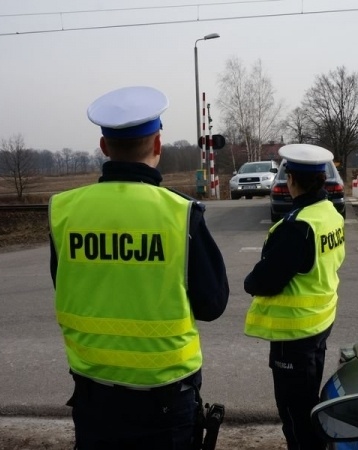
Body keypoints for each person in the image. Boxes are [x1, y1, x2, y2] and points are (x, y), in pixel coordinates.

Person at [48, 86, 229, 450]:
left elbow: (63, 281)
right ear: (158, 144)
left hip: (94, 395)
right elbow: (212, 304)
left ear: (104, 147)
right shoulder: (181, 213)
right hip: (165, 399)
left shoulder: (64, 210)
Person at [243, 143, 346, 450]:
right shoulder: (329, 213)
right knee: (308, 405)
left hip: (294, 335)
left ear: (290, 179)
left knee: (295, 415)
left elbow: (264, 281)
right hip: (319, 324)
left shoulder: (297, 226)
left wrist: (250, 281)